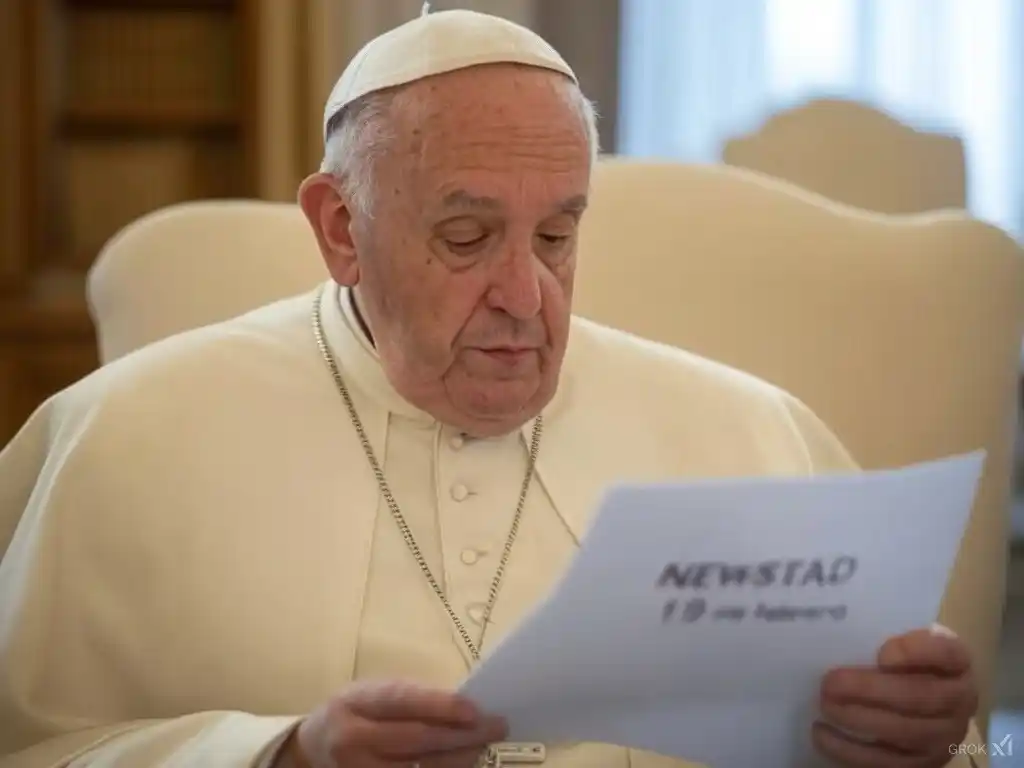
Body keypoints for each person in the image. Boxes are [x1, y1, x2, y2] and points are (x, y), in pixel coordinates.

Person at [0, 8, 982, 768]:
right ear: (341, 229)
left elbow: (936, 742)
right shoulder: (128, 432)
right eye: (466, 237)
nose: (526, 294)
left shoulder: (749, 430)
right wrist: (282, 756)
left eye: (556, 236)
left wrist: (906, 736)